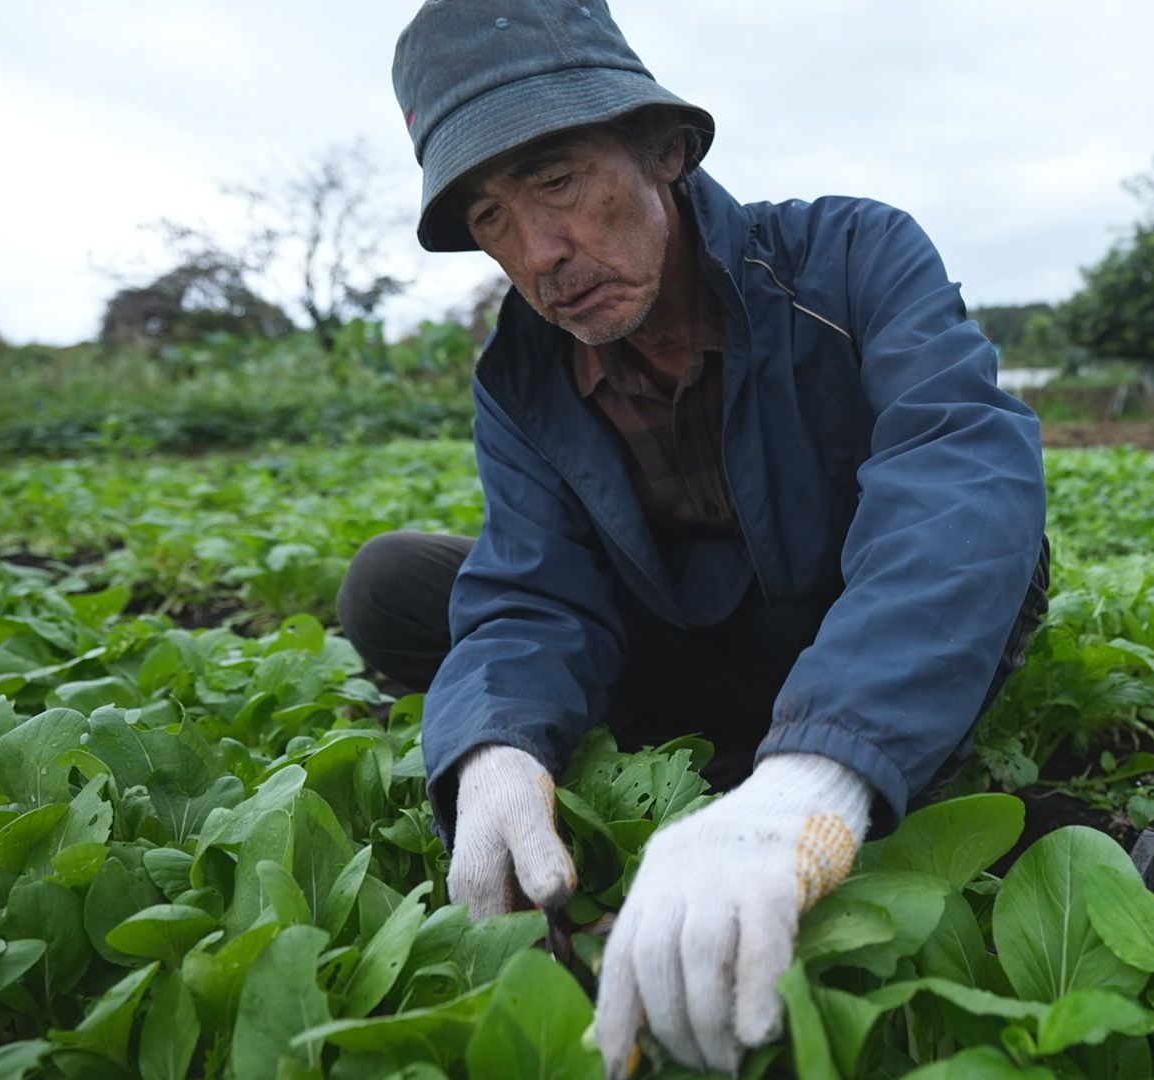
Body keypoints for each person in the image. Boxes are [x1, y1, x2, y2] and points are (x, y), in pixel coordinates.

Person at [342, 1, 1047, 1074]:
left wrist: (815, 779)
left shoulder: (852, 257)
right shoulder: (521, 373)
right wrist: (493, 750)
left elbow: (956, 470)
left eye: (556, 181)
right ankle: (687, 763)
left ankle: (807, 756)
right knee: (394, 584)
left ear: (666, 151)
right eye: (490, 216)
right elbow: (535, 587)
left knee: (976, 530)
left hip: (851, 620)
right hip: (690, 639)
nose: (539, 254)